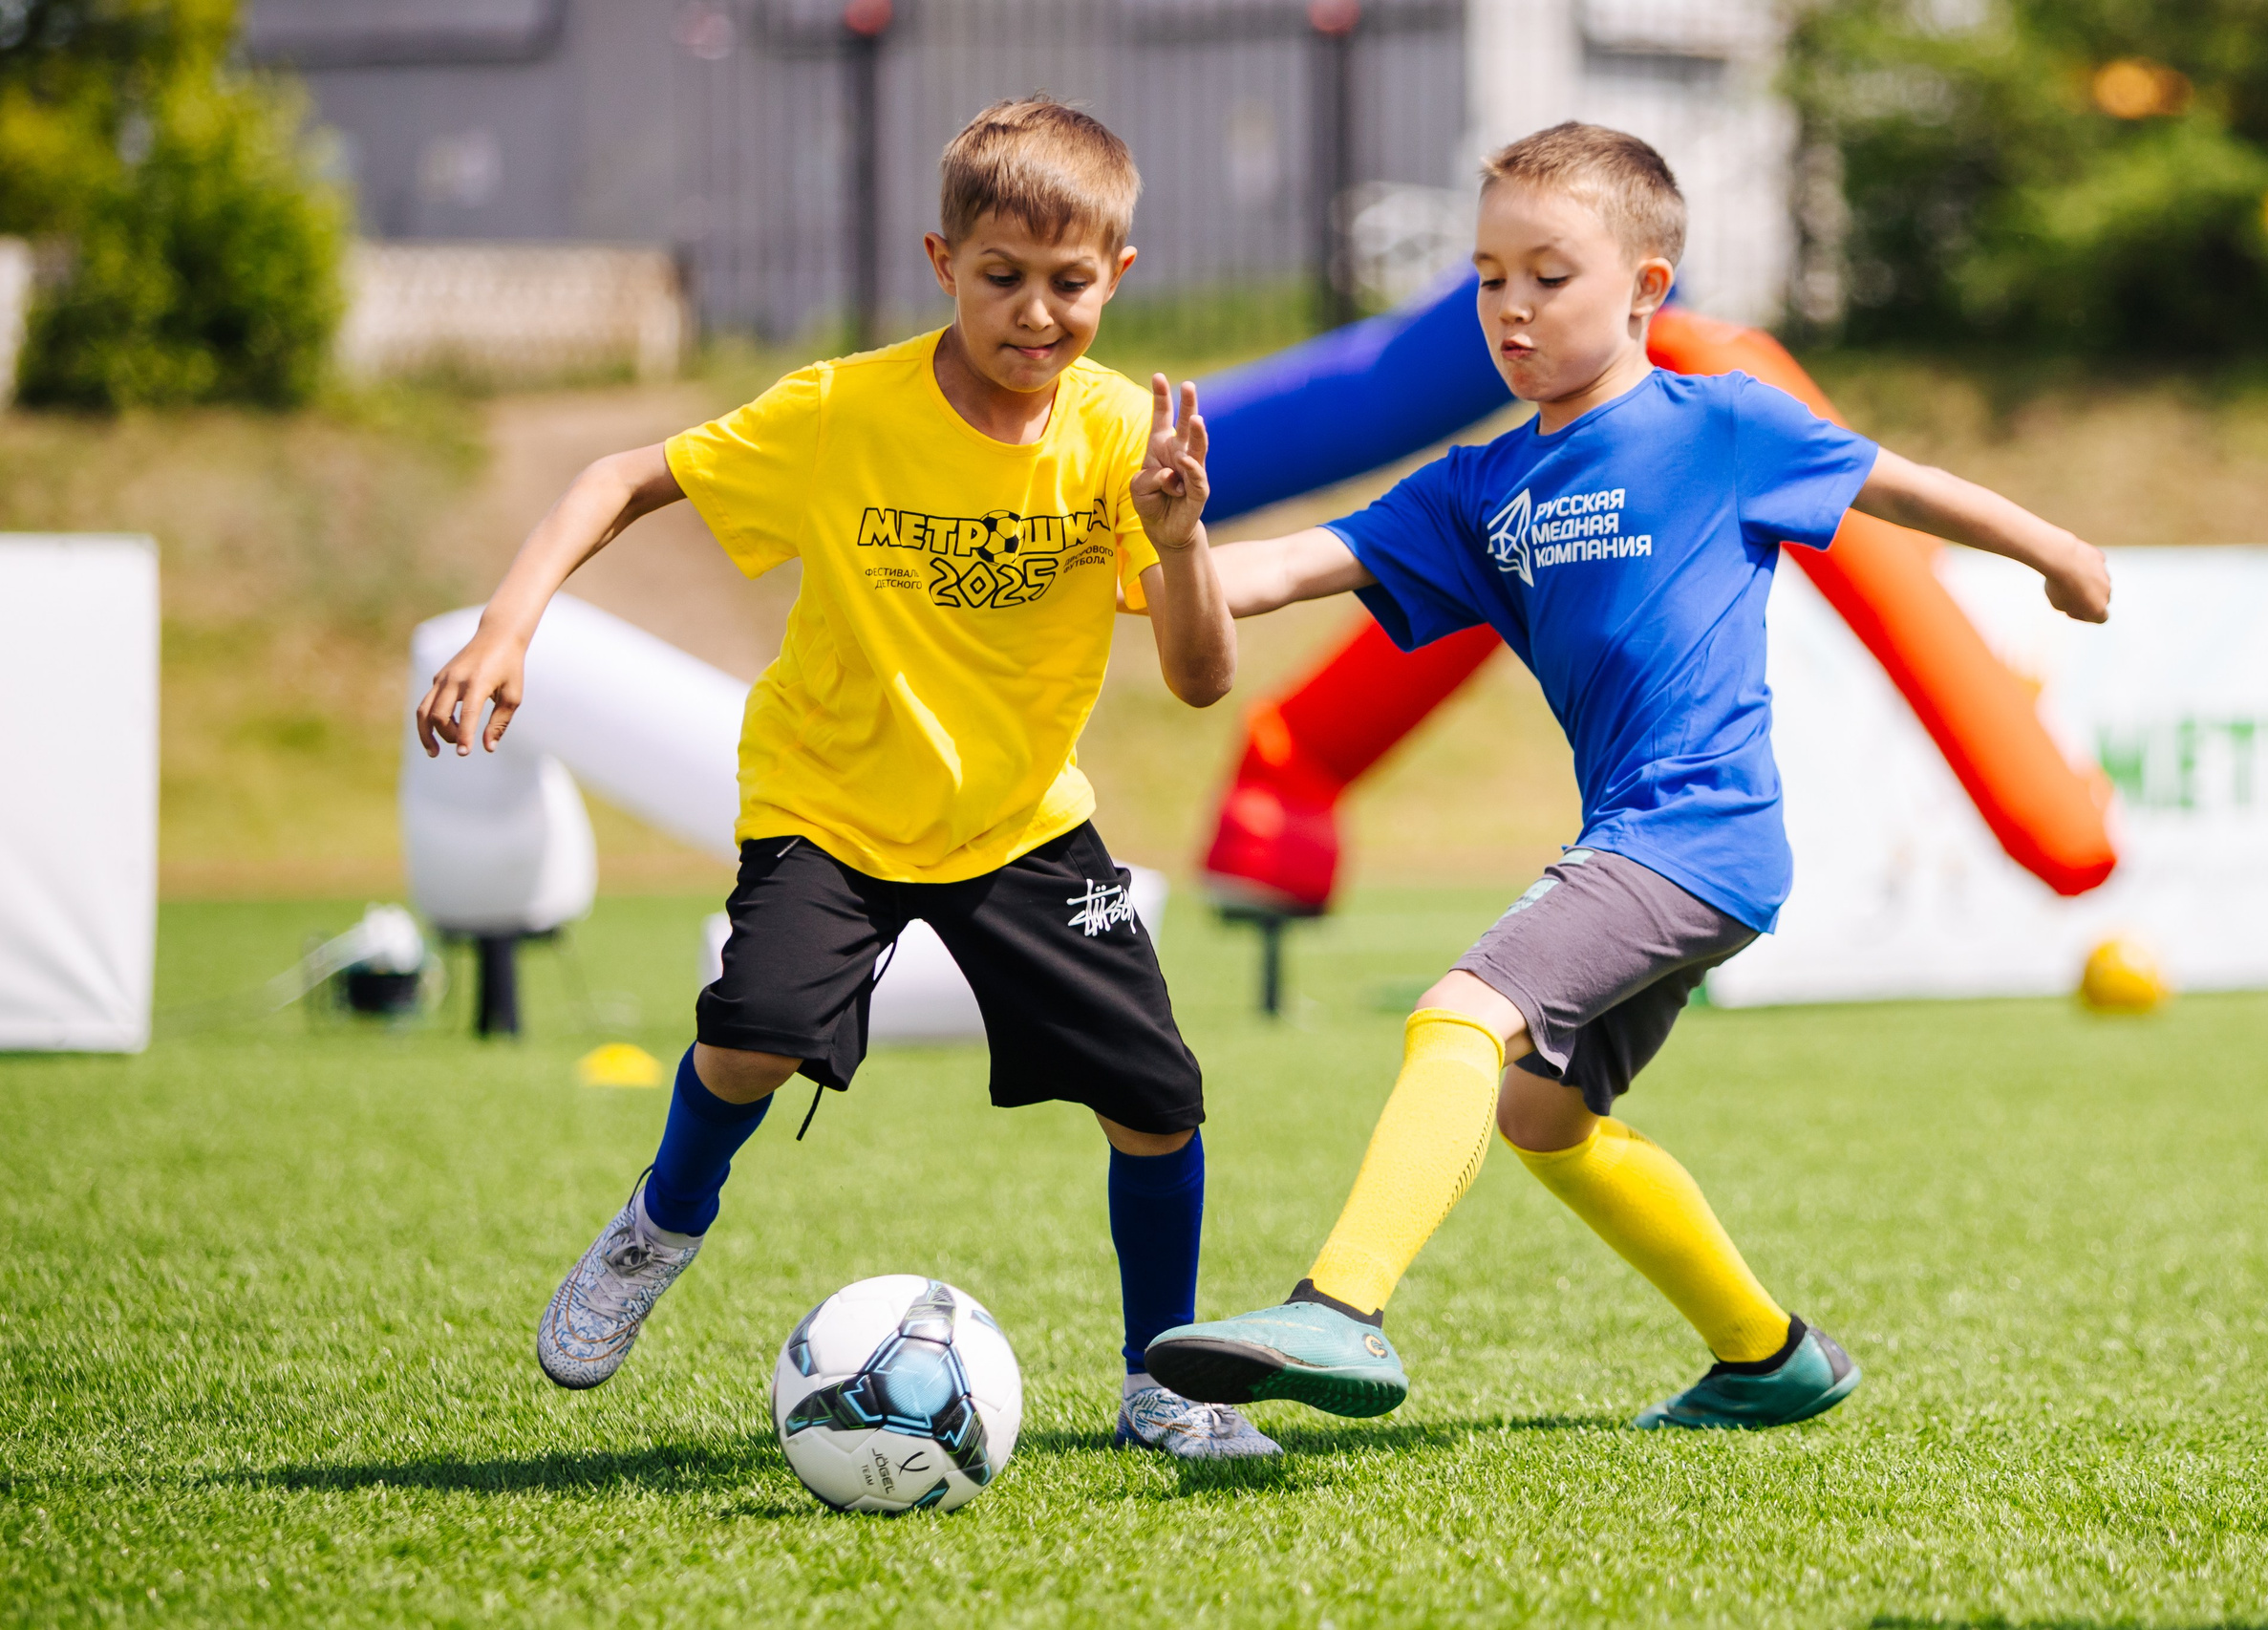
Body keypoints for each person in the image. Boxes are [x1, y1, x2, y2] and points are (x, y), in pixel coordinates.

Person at [1142, 121, 2112, 1431]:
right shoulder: (1476, 488)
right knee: (1541, 1115)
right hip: (1654, 844)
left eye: (1549, 274)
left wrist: (2055, 551)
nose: (1511, 307)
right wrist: (1175, 542)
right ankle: (1768, 1354)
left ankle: (1341, 1305)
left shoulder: (1721, 425)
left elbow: (1904, 487)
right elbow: (1271, 576)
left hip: (1698, 835)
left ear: (1649, 287)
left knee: (1460, 1011)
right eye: (1488, 278)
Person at [415, 98, 1279, 1461]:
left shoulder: (1122, 438)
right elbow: (620, 475)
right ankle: (660, 1223)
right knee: (751, 1038)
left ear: (1119, 275)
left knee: (1158, 1104)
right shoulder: (842, 409)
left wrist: (1177, 543)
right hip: (829, 806)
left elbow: (1200, 678)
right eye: (1003, 278)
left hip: (1020, 825)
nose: (1037, 314)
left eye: (1070, 283)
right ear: (943, 264)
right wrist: (509, 624)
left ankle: (1160, 1383)